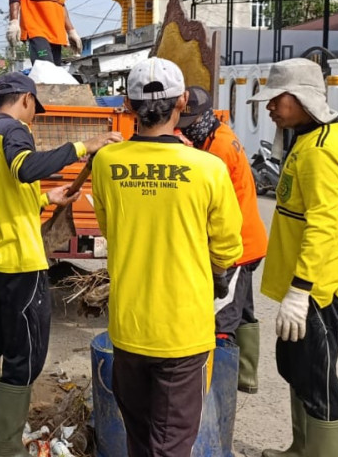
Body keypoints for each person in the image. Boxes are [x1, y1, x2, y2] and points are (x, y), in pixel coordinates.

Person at [92, 58, 244, 457]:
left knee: (140, 438)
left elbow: (109, 229)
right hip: (183, 331)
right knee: (173, 444)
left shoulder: (107, 163)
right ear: (182, 102)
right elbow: (229, 246)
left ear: (128, 105)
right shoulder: (209, 168)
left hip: (129, 327)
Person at [0, 72, 120, 455]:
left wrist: (46, 198)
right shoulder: (14, 130)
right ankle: (6, 449)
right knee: (24, 358)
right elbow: (25, 167)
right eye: (34, 110)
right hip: (20, 265)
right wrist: (87, 145)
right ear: (26, 100)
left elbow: (5, 196)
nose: (33, 117)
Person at [248, 58, 338, 457]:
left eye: (276, 100)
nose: (269, 108)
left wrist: (300, 291)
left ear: (301, 99)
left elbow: (322, 225)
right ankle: (302, 448)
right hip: (303, 281)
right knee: (295, 367)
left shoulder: (320, 152)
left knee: (318, 378)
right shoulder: (309, 138)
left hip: (318, 286)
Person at [177, 85, 269, 394]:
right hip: (247, 241)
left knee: (222, 318)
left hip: (237, 246)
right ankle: (246, 376)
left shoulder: (219, 148)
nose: (185, 126)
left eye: (190, 120)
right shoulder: (216, 135)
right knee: (242, 309)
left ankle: (217, 388)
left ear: (204, 117)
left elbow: (208, 203)